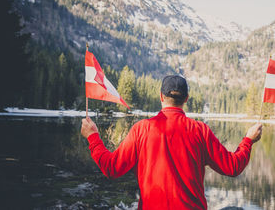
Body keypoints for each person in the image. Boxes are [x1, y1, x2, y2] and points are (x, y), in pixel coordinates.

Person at [81, 75, 263, 210]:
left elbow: (112, 168)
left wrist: (93, 137)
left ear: (161, 96)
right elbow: (232, 167)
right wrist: (248, 140)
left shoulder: (142, 129)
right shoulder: (200, 130)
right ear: (186, 99)